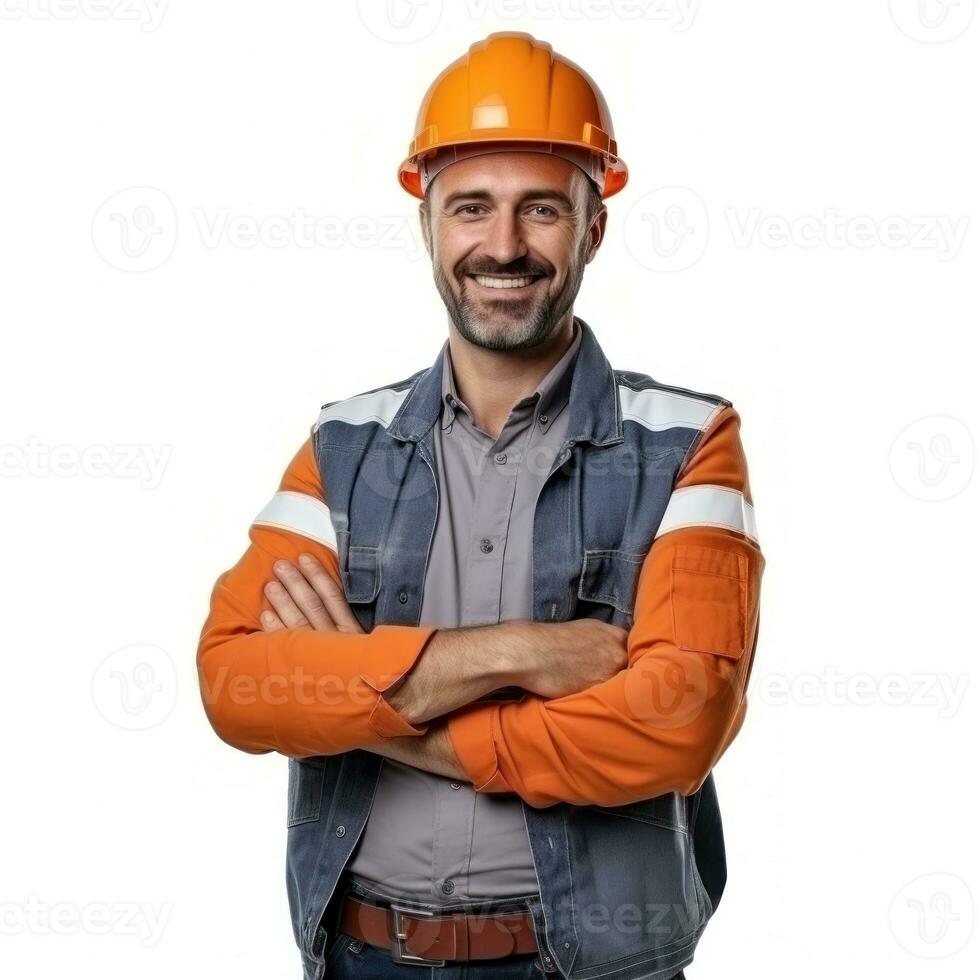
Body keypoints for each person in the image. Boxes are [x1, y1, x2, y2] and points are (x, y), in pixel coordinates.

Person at [197, 31, 764, 980]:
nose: (503, 246)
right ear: (428, 224)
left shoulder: (688, 441)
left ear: (593, 227)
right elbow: (236, 683)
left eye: (540, 208)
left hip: (584, 963)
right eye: (472, 208)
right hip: (360, 955)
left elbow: (678, 720)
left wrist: (364, 699)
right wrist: (526, 655)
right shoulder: (345, 446)